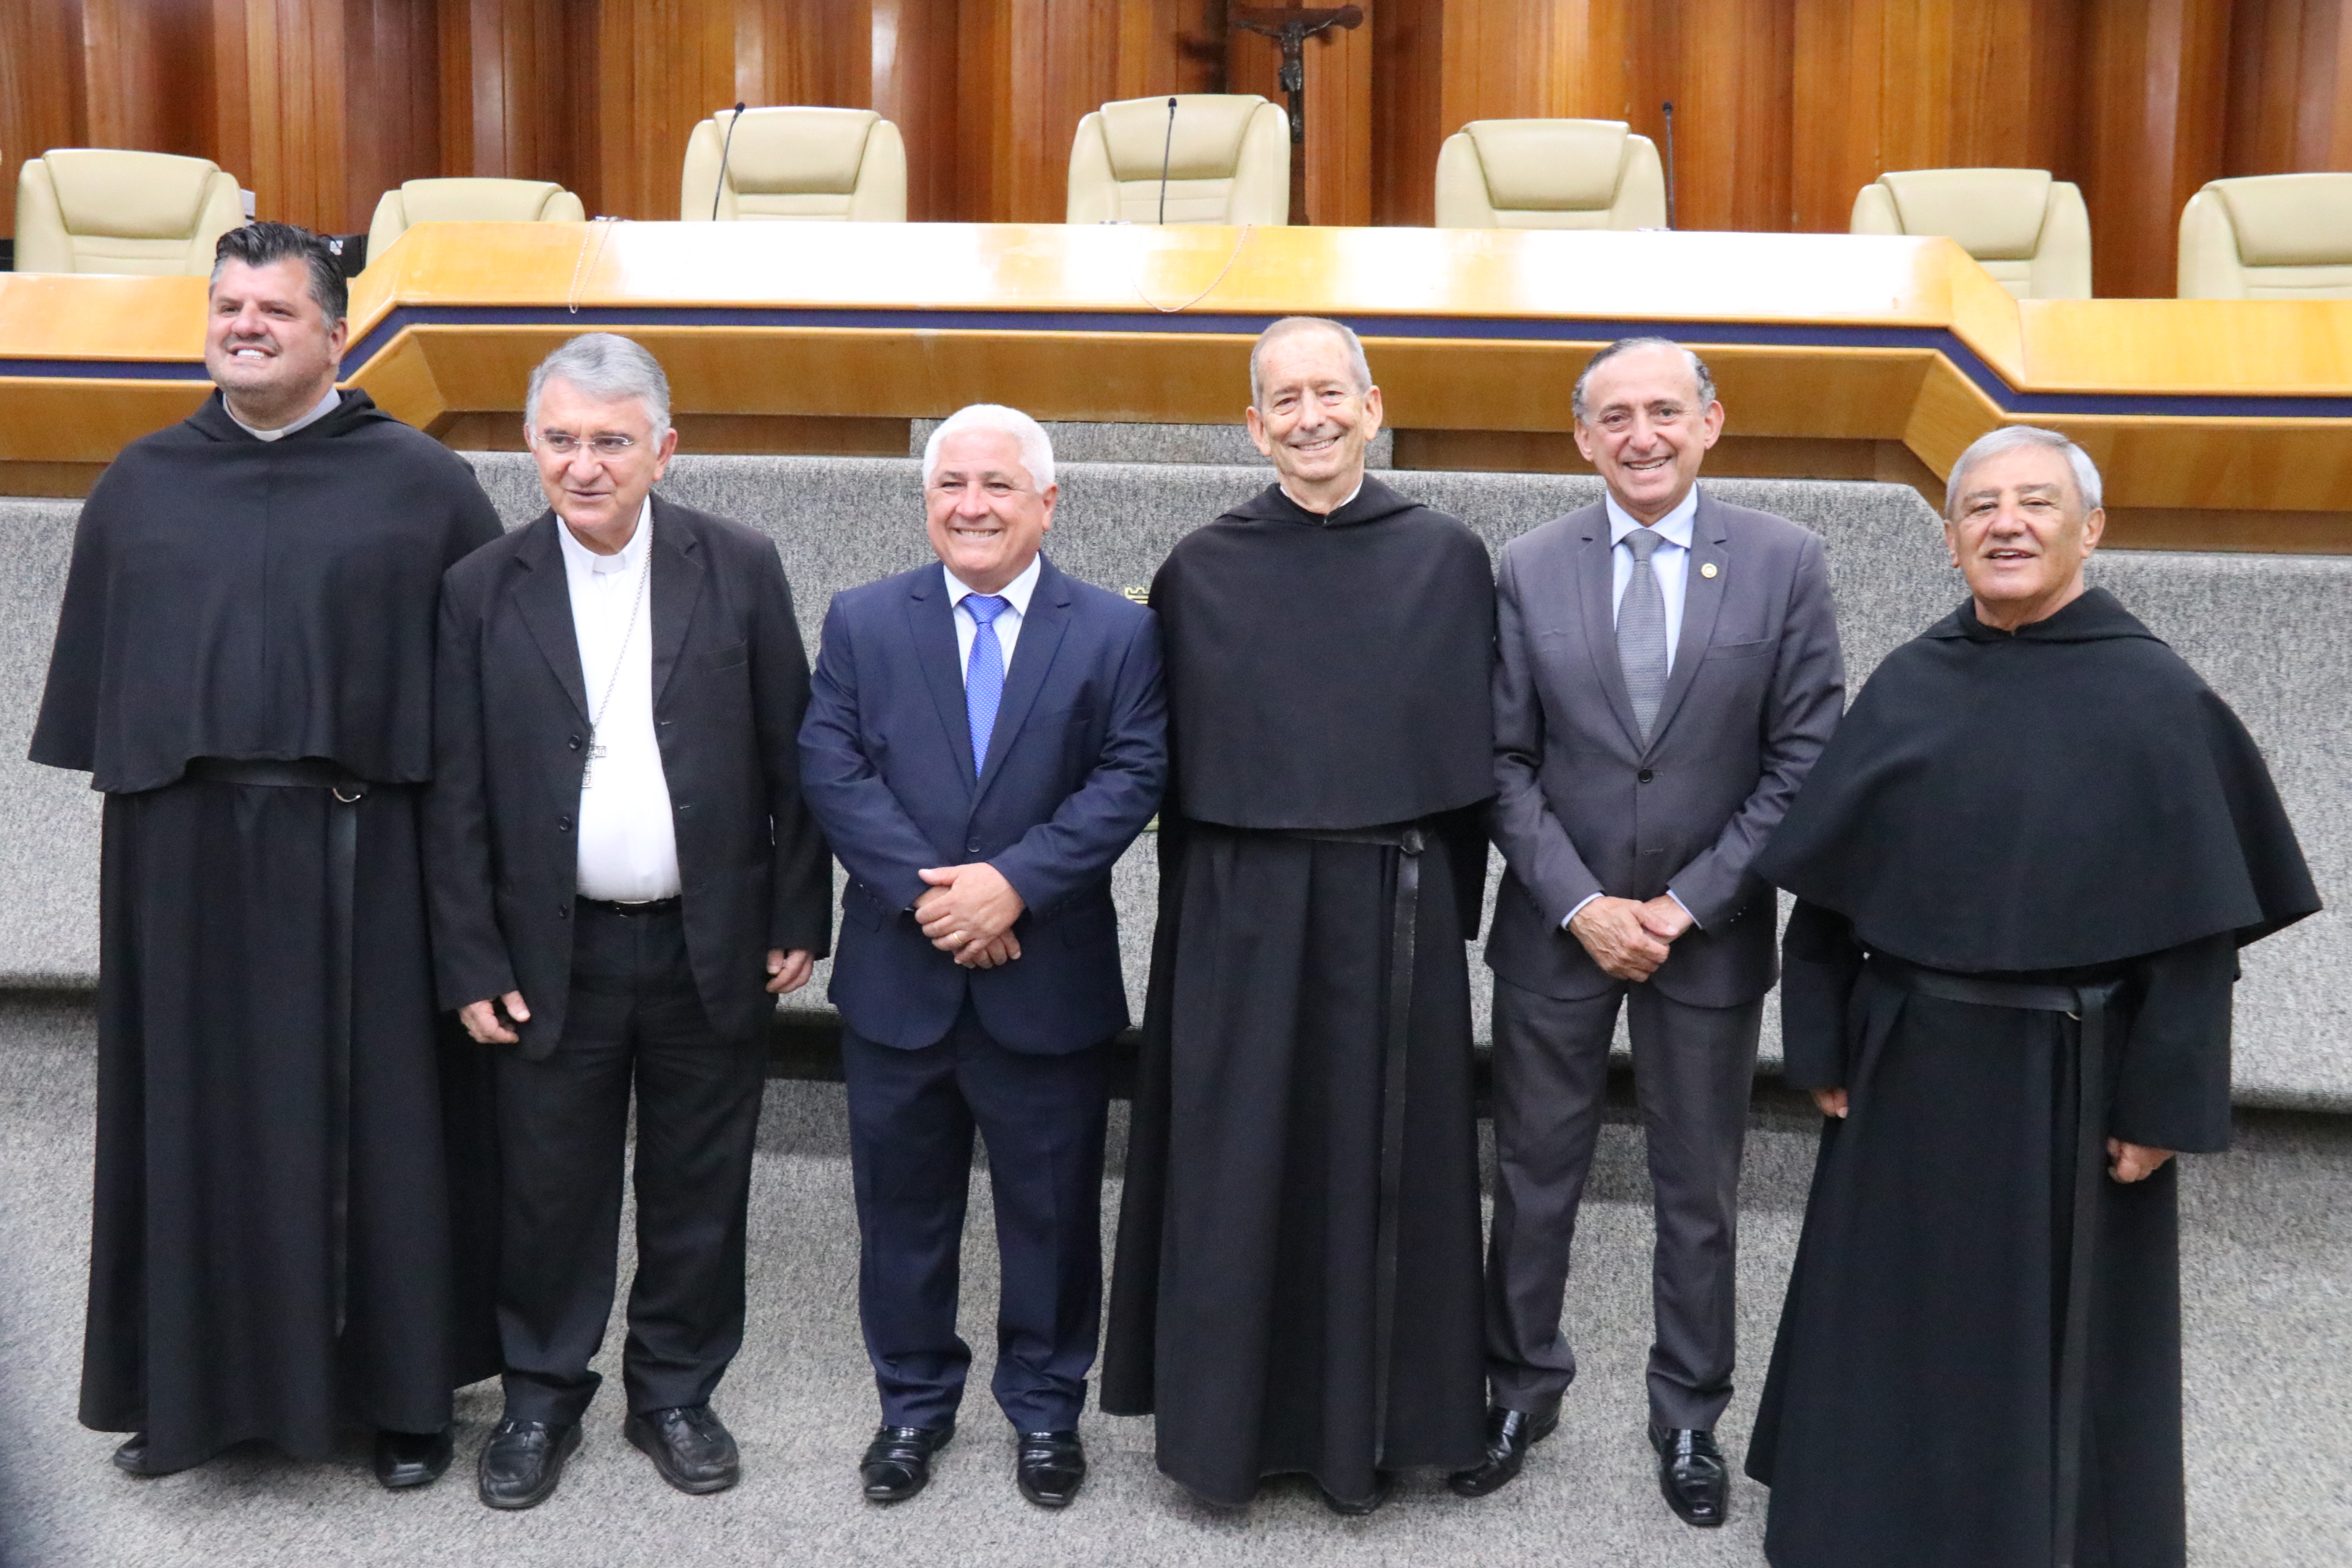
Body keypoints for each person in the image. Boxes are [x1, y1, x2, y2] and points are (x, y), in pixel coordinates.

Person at [1743, 426, 2319, 1568]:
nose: (2006, 524)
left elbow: (2197, 938)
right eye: (1981, 507)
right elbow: (1830, 890)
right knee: (1895, 1301)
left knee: (2053, 1321)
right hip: (1908, 1052)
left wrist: (2163, 1104)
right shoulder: (1912, 681)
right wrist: (1820, 1043)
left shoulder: (2158, 696)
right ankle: (1872, 1519)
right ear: (1950, 538)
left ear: (2090, 529)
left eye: (2037, 503)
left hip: (2073, 1072)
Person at [28, 222, 503, 1485]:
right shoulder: (142, 482)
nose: (244, 327)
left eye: (274, 310)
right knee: (190, 1125)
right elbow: (108, 696)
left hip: (367, 850)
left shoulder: (425, 486)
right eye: (228, 306)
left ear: (336, 335)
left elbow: (482, 697)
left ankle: (402, 1397)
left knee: (384, 1127)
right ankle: (185, 1394)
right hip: (180, 858)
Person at [426, 334, 831, 1509]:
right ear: (529, 446)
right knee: (548, 1186)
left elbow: (794, 752)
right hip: (551, 948)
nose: (585, 464)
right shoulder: (479, 587)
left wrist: (797, 910)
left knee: (700, 1180)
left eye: (612, 440)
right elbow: (453, 792)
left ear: (665, 449)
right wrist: (470, 956)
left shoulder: (739, 564)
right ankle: (541, 1396)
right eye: (561, 439)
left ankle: (675, 1395)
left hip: (714, 938)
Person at [1101, 317, 1495, 1515]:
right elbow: (1171, 773)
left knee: (1393, 1170)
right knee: (1238, 1169)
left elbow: (1473, 766)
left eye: (1332, 393)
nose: (1311, 416)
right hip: (1244, 916)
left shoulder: (1447, 558)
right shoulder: (1201, 568)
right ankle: (1231, 1436)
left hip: (1395, 907)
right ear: (1254, 425)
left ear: (1373, 407)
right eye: (1286, 398)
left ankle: (1387, 1429)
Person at [1458, 337, 1845, 1526]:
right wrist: (1583, 904)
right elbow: (1502, 759)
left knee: (1698, 1188)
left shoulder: (1784, 562)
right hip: (1555, 930)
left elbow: (1805, 759)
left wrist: (1683, 904)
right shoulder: (1528, 565)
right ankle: (1519, 1389)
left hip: (1707, 937)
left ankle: (1688, 1416)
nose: (1642, 435)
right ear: (1582, 438)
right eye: (1615, 416)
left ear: (1710, 422)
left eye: (1665, 412)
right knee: (1531, 1176)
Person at [797, 404, 1165, 1509]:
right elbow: (832, 768)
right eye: (951, 484)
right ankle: (912, 1405)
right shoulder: (864, 619)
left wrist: (1014, 884)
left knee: (1051, 1212)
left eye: (998, 485)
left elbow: (1132, 774)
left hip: (1044, 977)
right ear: (926, 501)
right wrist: (938, 900)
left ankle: (1047, 1410)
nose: (972, 506)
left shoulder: (1117, 632)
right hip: (898, 980)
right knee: (901, 1212)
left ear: (1047, 502)